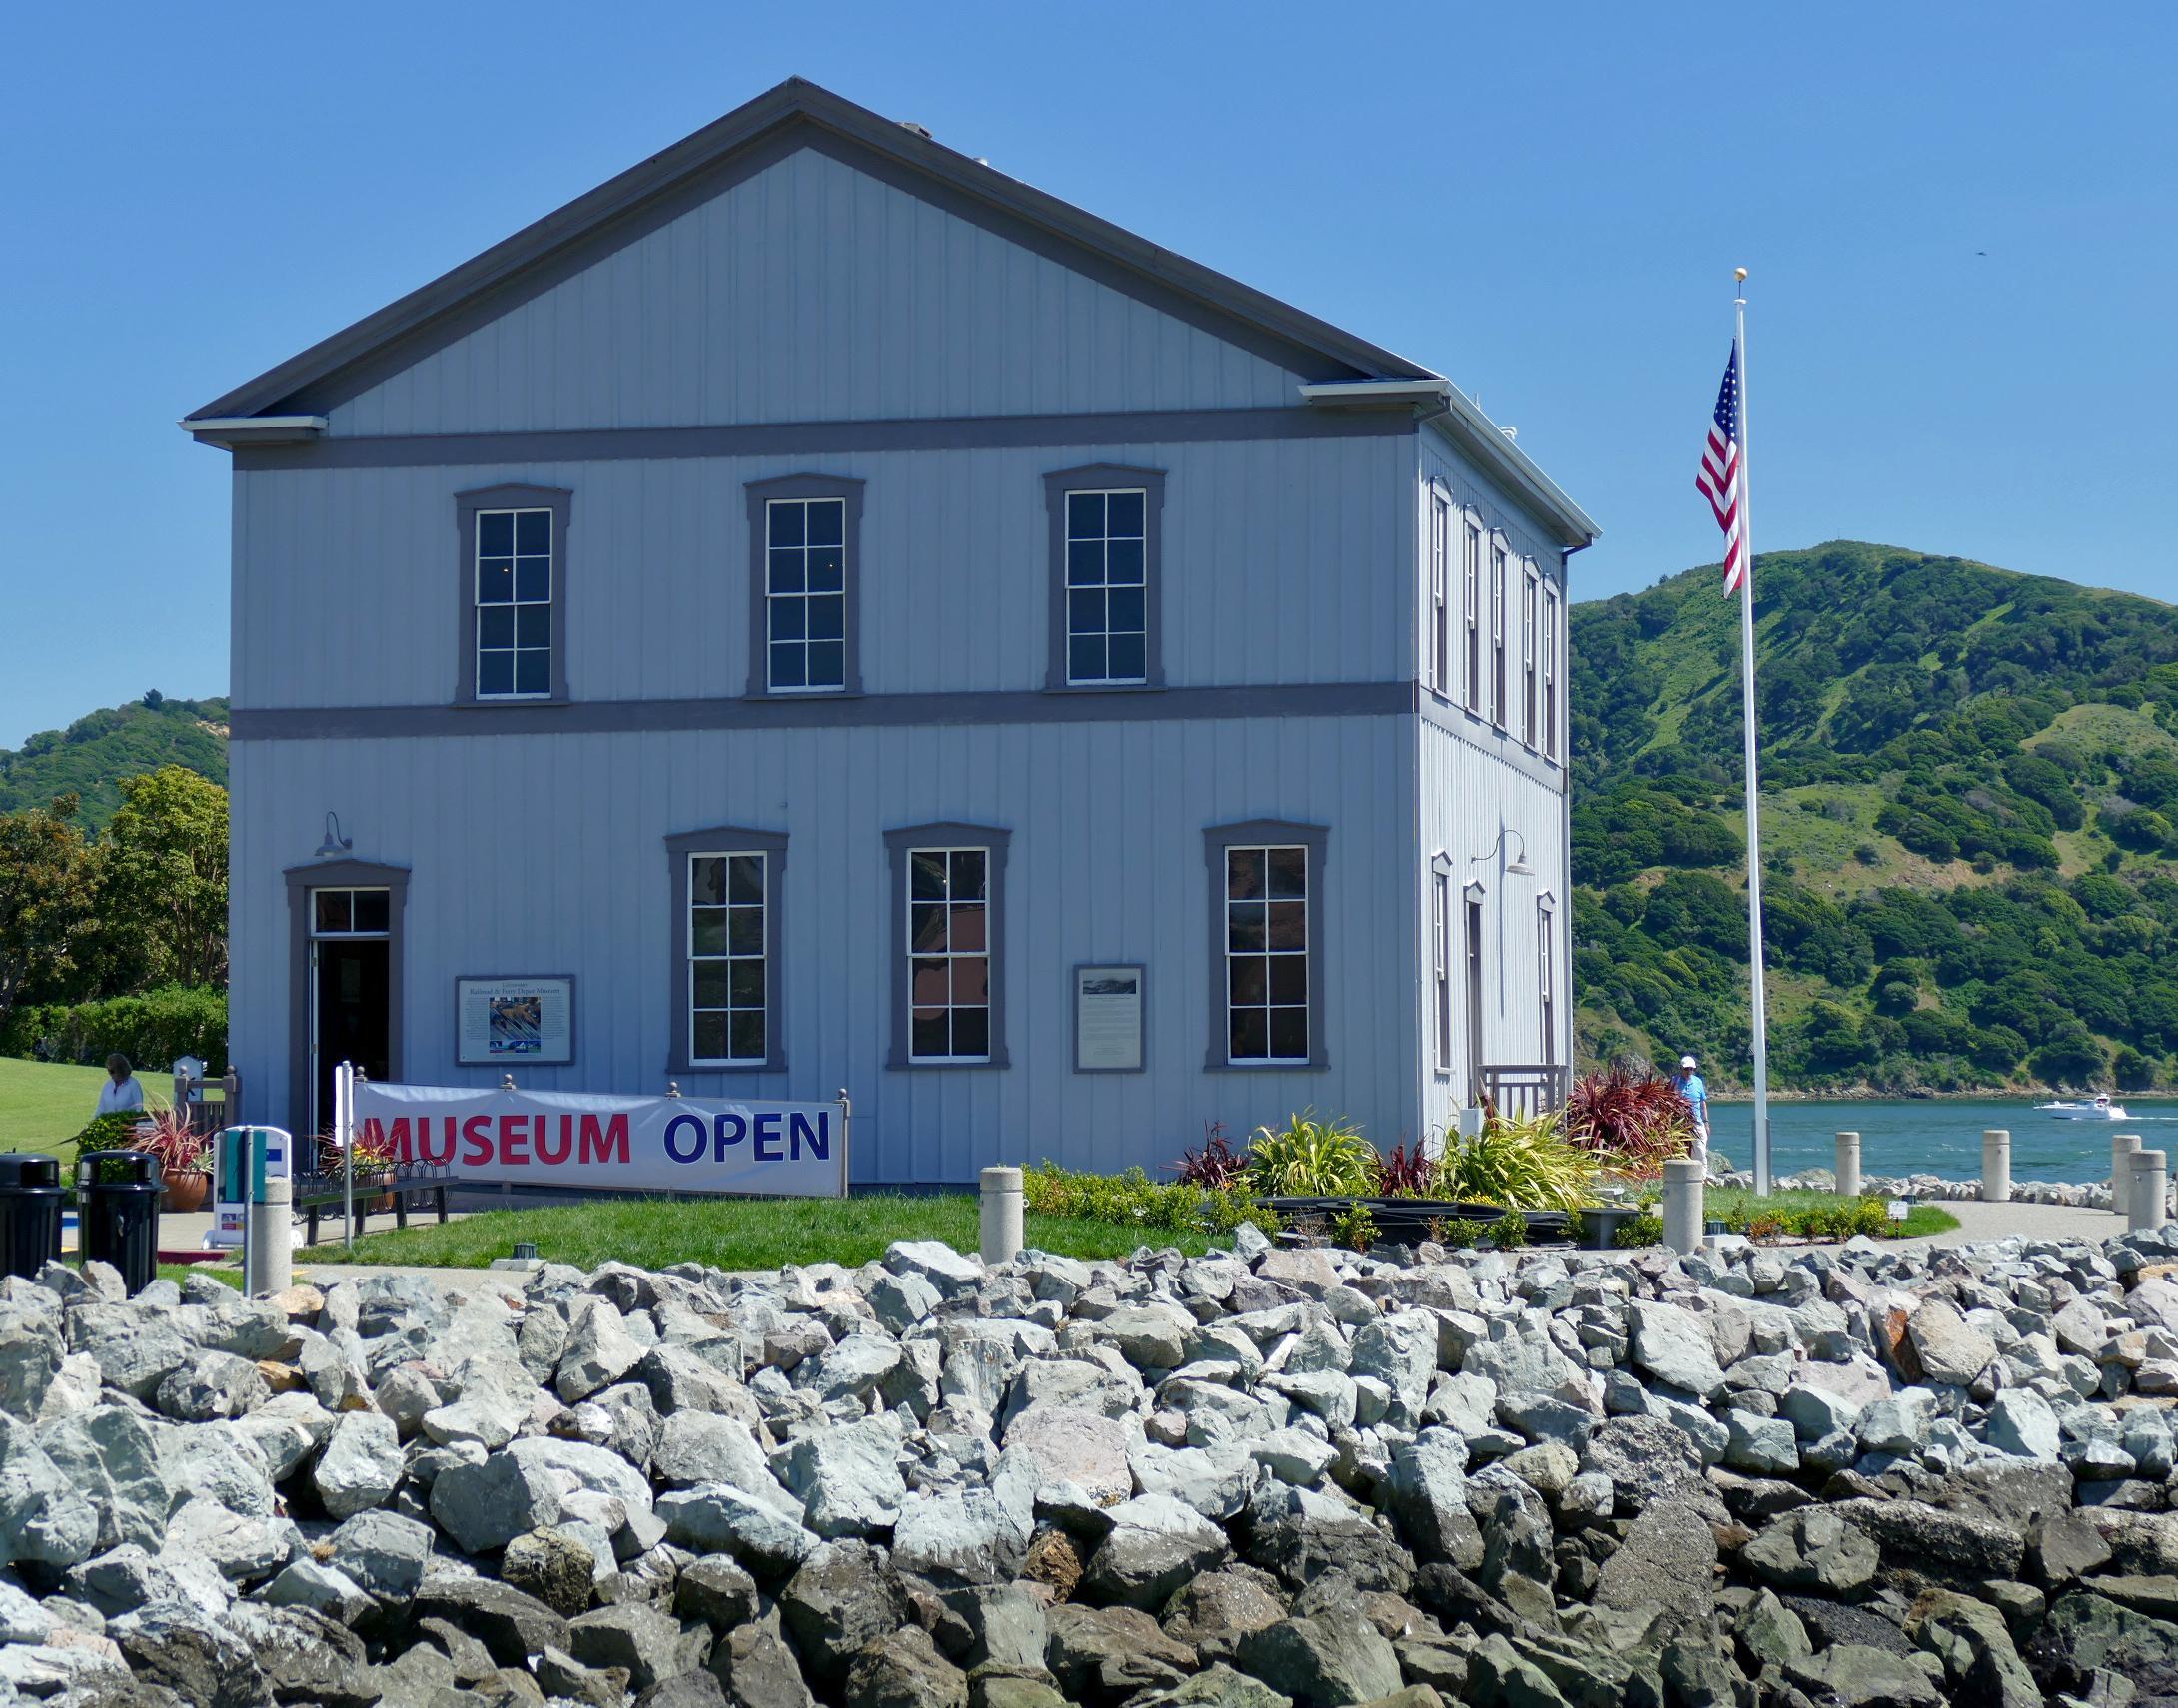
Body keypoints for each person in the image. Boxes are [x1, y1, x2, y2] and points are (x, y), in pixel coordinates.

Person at [1673, 1054, 1712, 1176]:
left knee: (1700, 1150)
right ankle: (1685, 1176)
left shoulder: (1698, 1082)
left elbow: (1703, 1103)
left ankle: (1702, 1177)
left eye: (1692, 1069)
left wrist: (1706, 1123)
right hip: (1679, 1123)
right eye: (1687, 1068)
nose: (1689, 1071)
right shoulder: (1675, 1081)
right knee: (1680, 1151)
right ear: (1681, 1068)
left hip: (1697, 1122)